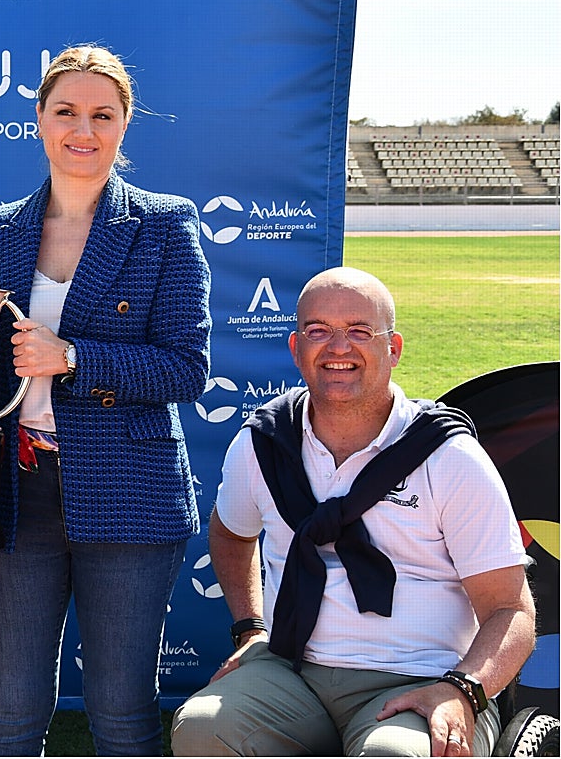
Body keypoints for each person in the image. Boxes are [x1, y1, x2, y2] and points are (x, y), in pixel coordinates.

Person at [171, 267, 535, 757]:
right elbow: (231, 534)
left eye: (360, 331)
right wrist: (250, 628)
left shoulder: (448, 456)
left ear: (394, 348)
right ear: (296, 348)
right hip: (292, 671)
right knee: (202, 728)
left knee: (394, 755)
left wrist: (463, 689)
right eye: (318, 331)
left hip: (423, 676)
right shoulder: (264, 443)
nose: (338, 347)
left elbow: (511, 611)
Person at [0, 44, 212, 755]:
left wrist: (72, 359)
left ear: (125, 124)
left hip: (130, 491)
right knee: (10, 712)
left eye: (103, 115)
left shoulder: (164, 223)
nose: (83, 129)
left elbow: (186, 369)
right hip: (19, 489)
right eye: (66, 111)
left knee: (122, 712)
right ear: (39, 119)